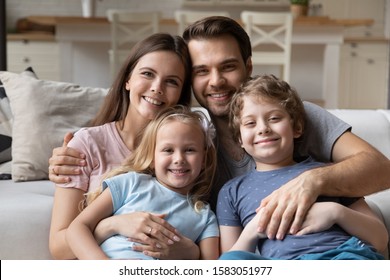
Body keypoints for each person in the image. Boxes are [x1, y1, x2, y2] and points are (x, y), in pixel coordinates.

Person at [49, 16, 390, 256]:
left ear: (248, 67)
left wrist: (312, 183)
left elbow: (381, 169)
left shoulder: (289, 117)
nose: (215, 81)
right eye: (201, 71)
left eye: (227, 66)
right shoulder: (193, 138)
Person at [49, 33, 197, 260]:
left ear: (180, 94)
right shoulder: (87, 144)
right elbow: (59, 247)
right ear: (128, 79)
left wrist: (192, 251)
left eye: (171, 81)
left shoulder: (188, 152)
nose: (157, 88)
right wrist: (112, 225)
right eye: (148, 74)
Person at [217, 74, 387, 260]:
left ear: (297, 127)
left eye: (274, 118)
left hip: (342, 256)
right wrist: (253, 230)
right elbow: (229, 263)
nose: (263, 128)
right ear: (240, 139)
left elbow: (379, 238)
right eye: (250, 123)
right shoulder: (232, 191)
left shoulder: (327, 172)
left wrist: (335, 212)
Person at [66, 106, 219, 260]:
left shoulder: (205, 217)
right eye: (168, 150)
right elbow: (77, 228)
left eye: (189, 150)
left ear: (204, 159)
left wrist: (191, 254)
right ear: (152, 158)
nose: (179, 158)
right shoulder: (130, 183)